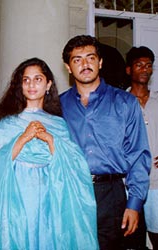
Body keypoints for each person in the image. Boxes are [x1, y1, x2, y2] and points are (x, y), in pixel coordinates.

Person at [0, 57, 98, 249]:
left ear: (48, 84)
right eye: (26, 80)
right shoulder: (6, 122)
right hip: (15, 198)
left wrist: (51, 140)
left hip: (49, 198)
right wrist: (22, 138)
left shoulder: (58, 124)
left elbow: (75, 166)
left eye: (38, 79)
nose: (32, 85)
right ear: (20, 85)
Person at [60, 35, 151, 250]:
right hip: (72, 192)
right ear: (68, 67)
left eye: (90, 58)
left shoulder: (125, 102)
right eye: (77, 59)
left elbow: (138, 155)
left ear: (100, 62)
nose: (85, 64)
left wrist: (134, 204)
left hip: (112, 194)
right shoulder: (58, 105)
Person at [126, 46, 158, 249]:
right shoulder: (120, 102)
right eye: (139, 65)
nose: (145, 69)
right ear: (129, 70)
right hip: (129, 186)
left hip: (156, 183)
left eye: (149, 65)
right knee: (132, 239)